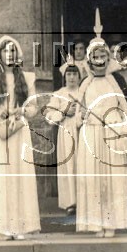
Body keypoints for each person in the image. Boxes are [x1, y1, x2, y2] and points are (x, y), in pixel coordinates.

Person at [0, 35, 40, 239]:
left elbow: (34, 106)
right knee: (1, 176)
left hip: (19, 129)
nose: (10, 55)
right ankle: (3, 227)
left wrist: (23, 111)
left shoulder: (26, 78)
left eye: (13, 51)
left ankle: (20, 227)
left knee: (19, 175)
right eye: (6, 51)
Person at [75, 38, 127, 238]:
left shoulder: (114, 81)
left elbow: (125, 108)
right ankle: (96, 223)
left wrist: (126, 130)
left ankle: (111, 222)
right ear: (90, 59)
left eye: (103, 55)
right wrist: (81, 117)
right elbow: (77, 110)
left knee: (112, 177)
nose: (99, 60)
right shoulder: (85, 83)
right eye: (96, 56)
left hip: (111, 133)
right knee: (93, 177)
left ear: (108, 58)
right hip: (92, 133)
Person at [44, 64, 82, 215]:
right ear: (64, 77)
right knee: (68, 165)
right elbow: (49, 116)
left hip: (81, 130)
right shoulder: (59, 94)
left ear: (79, 76)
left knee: (82, 164)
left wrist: (79, 114)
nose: (71, 77)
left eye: (74, 74)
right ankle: (70, 202)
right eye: (69, 74)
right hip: (66, 131)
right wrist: (64, 112)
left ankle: (85, 200)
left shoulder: (83, 91)